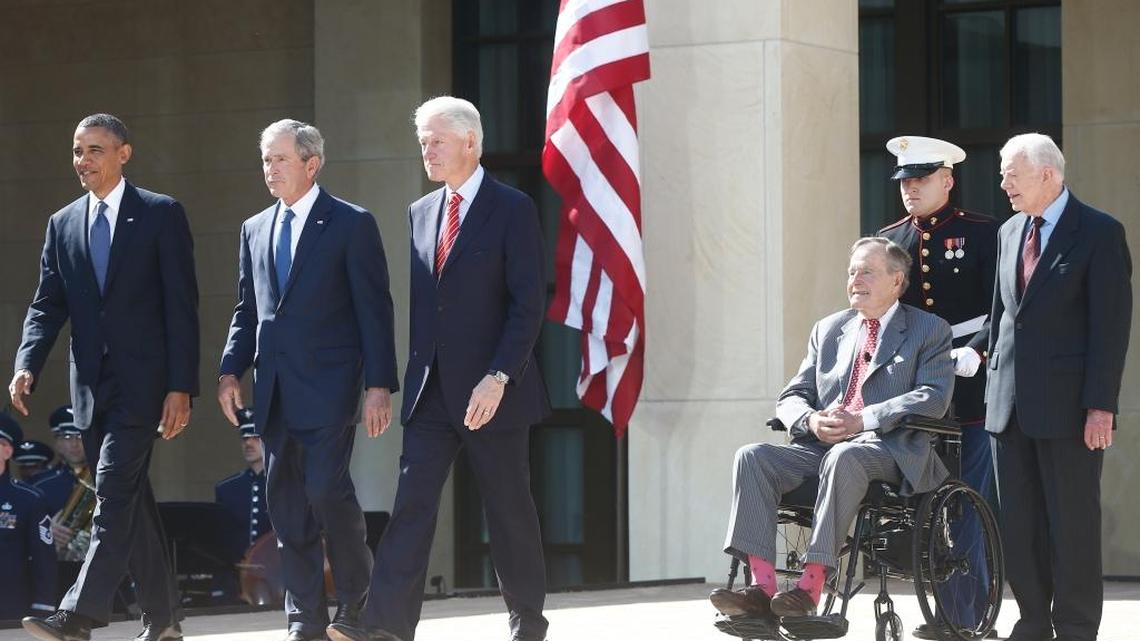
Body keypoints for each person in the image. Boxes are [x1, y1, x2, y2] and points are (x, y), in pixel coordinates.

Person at [327, 96, 551, 641]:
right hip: (431, 394)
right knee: (411, 508)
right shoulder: (420, 212)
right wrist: (386, 384)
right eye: (422, 141)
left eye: (437, 140)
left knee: (508, 510)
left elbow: (527, 305)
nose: (427, 150)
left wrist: (499, 377)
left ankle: (527, 620)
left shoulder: (513, 207)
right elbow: (425, 311)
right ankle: (385, 627)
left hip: (492, 391)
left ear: (470, 142)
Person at [10, 113, 198, 641]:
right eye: (76, 151)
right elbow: (47, 304)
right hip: (90, 389)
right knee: (131, 500)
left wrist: (181, 386)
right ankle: (163, 621)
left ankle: (79, 615)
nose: (83, 161)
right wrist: (28, 362)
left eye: (95, 150)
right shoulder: (63, 222)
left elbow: (182, 308)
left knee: (113, 491)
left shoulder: (160, 215)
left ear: (123, 153)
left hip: (146, 387)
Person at [218, 119, 399, 641]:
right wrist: (231, 371)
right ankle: (305, 618)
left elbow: (374, 311)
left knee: (326, 491)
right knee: (287, 504)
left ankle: (359, 602)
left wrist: (379, 385)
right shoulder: (254, 227)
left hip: (331, 388)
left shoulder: (350, 223)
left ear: (311, 163)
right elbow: (246, 309)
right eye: (266, 160)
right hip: (274, 390)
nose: (270, 169)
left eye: (280, 159)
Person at [708, 237, 954, 621]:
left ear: (896, 280)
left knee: (846, 455)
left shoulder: (929, 329)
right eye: (852, 271)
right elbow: (792, 395)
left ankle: (810, 587)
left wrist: (864, 418)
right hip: (822, 446)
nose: (856, 279)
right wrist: (810, 421)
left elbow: (932, 397)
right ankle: (762, 588)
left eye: (867, 271)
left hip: (888, 448)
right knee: (752, 456)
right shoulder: (829, 329)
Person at [986, 133, 1132, 641]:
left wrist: (1100, 407)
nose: (1003, 183)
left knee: (1071, 525)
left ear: (1048, 173)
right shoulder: (1008, 233)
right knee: (1020, 526)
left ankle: (1074, 626)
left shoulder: (1098, 232)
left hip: (1071, 411)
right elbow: (1002, 318)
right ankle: (1032, 622)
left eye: (1011, 172)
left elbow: (1110, 330)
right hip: (1008, 409)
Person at [878, 135, 999, 639]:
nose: (911, 189)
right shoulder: (890, 240)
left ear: (947, 180)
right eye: (905, 180)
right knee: (924, 506)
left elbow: (1005, 302)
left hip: (969, 390)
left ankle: (965, 618)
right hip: (915, 395)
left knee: (968, 502)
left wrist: (981, 348)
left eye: (921, 179)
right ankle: (941, 614)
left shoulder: (983, 232)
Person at [0, 414, 58, 621]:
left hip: (9, 609)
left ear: (7, 450)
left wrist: (43, 607)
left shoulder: (28, 499)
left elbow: (44, 558)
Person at [215, 408, 273, 549]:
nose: (248, 443)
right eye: (245, 438)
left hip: (274, 568)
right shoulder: (226, 489)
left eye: (255, 438)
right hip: (236, 567)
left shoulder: (282, 487)